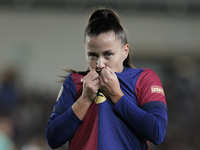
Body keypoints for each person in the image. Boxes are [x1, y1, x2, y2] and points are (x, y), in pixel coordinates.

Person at [45, 7, 167, 150]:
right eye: (92, 55)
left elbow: (158, 132)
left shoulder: (144, 78)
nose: (99, 64)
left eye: (108, 54)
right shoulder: (74, 82)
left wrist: (117, 96)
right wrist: (85, 99)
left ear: (125, 51)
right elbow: (53, 139)